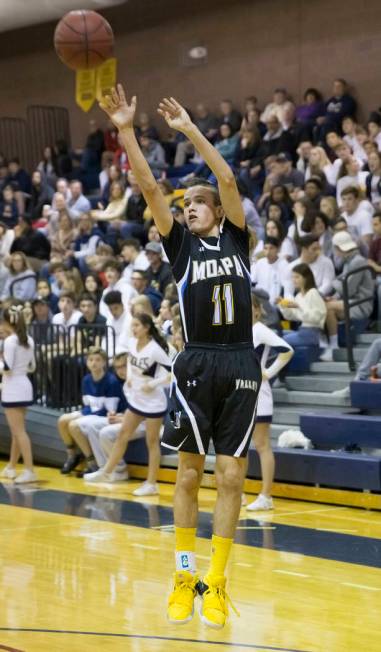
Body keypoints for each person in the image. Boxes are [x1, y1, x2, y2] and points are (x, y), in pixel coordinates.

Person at [98, 84, 262, 628]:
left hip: (239, 362)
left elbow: (229, 178)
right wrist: (125, 129)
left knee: (233, 478)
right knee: (189, 475)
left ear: (216, 212)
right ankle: (184, 574)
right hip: (195, 363)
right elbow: (147, 185)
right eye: (184, 205)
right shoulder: (179, 247)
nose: (188, 209)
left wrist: (190, 129)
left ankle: (216, 581)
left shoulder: (237, 240)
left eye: (196, 204)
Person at [84, 313, 172, 497]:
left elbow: (172, 373)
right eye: (132, 325)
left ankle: (151, 483)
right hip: (137, 399)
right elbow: (131, 364)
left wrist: (153, 384)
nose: (133, 329)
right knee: (123, 433)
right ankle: (107, 471)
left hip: (154, 402)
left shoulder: (155, 349)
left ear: (147, 327)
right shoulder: (132, 343)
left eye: (137, 325)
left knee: (152, 442)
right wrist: (131, 377)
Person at [245, 293, 293, 511]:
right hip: (241, 394)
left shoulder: (260, 330)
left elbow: (287, 350)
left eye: (249, 307)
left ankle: (266, 496)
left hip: (259, 394)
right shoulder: (239, 332)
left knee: (262, 444)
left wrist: (269, 372)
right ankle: (240, 491)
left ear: (257, 309)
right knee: (241, 446)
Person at [57, 347, 125, 474]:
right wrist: (84, 414)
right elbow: (87, 405)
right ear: (87, 362)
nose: (94, 363)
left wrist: (84, 415)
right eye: (91, 360)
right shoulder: (86, 380)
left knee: (73, 425)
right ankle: (72, 455)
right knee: (62, 420)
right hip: (91, 412)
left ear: (104, 363)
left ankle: (91, 461)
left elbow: (110, 410)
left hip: (103, 415)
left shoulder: (111, 381)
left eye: (98, 360)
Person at [321, 231, 375, 361]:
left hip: (361, 304)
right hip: (351, 301)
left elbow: (348, 290)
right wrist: (334, 297)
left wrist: (334, 282)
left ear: (338, 248)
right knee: (324, 306)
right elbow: (344, 287)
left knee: (328, 308)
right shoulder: (349, 261)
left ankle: (333, 346)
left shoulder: (358, 262)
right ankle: (326, 342)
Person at [0, 305, 37, 483]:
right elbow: (32, 367)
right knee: (17, 431)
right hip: (24, 385)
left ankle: (29, 470)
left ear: (7, 322)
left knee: (19, 432)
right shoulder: (29, 339)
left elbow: (7, 369)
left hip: (13, 388)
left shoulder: (10, 341)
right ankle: (11, 466)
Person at [278, 263, 327, 349]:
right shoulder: (298, 296)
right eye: (293, 277)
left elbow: (317, 317)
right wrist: (283, 306)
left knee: (280, 341)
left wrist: (299, 306)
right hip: (302, 330)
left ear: (306, 278)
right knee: (277, 334)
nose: (294, 280)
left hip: (313, 333)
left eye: (297, 277)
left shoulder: (313, 293)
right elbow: (292, 316)